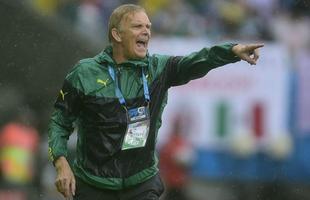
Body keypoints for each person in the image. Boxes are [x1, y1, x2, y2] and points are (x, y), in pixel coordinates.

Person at [48, 3, 264, 200]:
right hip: (93, 185)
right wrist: (61, 162)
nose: (146, 32)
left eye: (148, 27)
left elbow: (198, 60)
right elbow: (60, 122)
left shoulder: (158, 69)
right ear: (117, 34)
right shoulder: (84, 73)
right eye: (137, 26)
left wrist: (231, 51)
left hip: (141, 184)